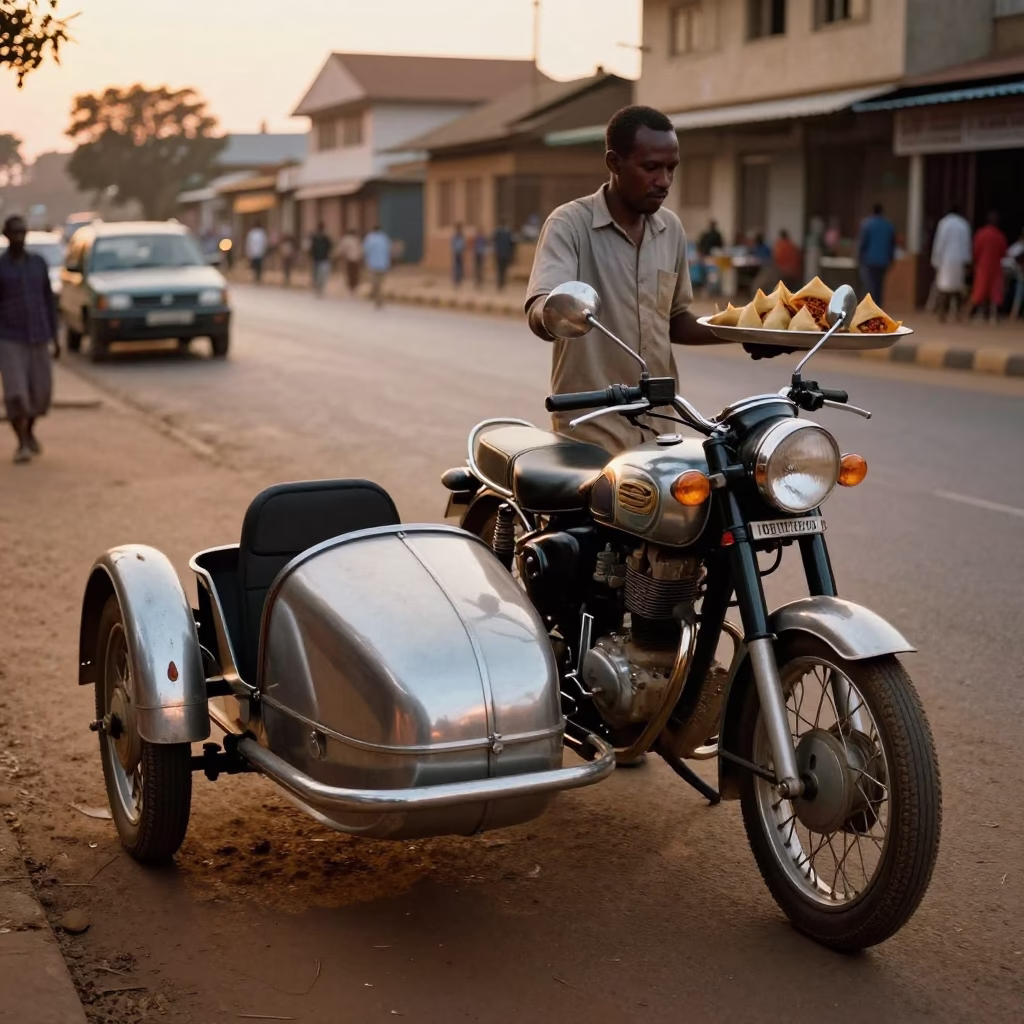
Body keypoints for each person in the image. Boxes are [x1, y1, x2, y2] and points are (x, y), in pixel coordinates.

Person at [526, 104, 792, 458]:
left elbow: (676, 321)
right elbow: (540, 308)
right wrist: (555, 313)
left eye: (671, 169)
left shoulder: (671, 230)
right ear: (614, 163)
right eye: (651, 168)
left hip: (662, 426)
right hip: (590, 426)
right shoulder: (569, 224)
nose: (664, 181)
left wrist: (747, 329)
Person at [0, 215, 57, 464]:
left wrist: (55, 337)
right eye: (14, 233)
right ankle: (21, 443)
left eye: (22, 233)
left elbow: (48, 300)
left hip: (38, 335)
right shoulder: (1, 267)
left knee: (40, 393)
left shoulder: (38, 264)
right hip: (9, 337)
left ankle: (30, 431)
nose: (19, 238)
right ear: (6, 236)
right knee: (16, 394)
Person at [930, 204, 972, 322]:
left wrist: (935, 260)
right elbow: (967, 243)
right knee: (958, 288)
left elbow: (939, 243)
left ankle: (942, 314)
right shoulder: (964, 224)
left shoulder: (944, 223)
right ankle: (957, 314)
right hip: (959, 259)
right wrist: (967, 261)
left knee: (943, 288)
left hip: (945, 259)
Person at [967, 210, 1009, 324]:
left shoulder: (981, 234)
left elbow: (975, 251)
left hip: (982, 266)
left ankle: (977, 314)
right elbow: (1004, 252)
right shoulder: (999, 235)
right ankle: (993, 316)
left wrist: (974, 263)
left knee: (980, 290)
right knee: (995, 291)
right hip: (995, 266)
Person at [856, 203, 896, 305]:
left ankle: (871, 305)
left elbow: (862, 243)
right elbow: (892, 244)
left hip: (870, 260)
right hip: (883, 260)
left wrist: (859, 257)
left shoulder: (867, 224)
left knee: (870, 284)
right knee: (880, 285)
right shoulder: (888, 225)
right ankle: (878, 305)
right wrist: (891, 259)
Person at [362, 224, 391, 309]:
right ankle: (379, 299)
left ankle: (378, 299)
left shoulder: (370, 238)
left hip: (373, 265)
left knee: (376, 283)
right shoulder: (384, 238)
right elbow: (388, 251)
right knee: (380, 283)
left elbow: (365, 251)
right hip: (383, 264)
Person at [310, 223, 333, 297]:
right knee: (318, 275)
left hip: (322, 259)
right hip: (318, 259)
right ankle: (318, 288)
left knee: (321, 275)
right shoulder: (315, 237)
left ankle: (320, 289)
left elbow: (330, 247)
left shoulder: (325, 238)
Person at [493, 220, 515, 291]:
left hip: (500, 253)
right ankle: (501, 283)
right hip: (505, 253)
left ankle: (500, 283)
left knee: (500, 270)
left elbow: (495, 241)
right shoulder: (507, 232)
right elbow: (511, 244)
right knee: (503, 269)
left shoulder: (499, 232)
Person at [339, 229, 361, 294]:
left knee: (350, 274)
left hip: (349, 259)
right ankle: (354, 286)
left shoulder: (346, 239)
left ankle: (351, 287)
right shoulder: (357, 239)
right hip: (356, 259)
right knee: (355, 274)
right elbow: (360, 250)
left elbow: (342, 249)